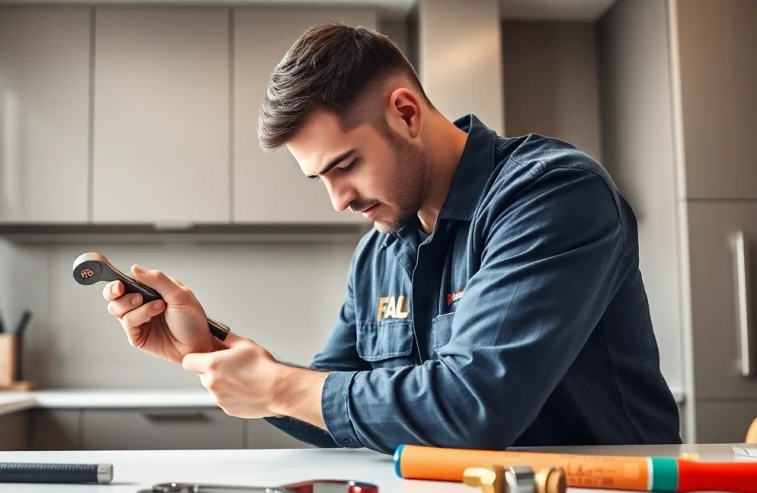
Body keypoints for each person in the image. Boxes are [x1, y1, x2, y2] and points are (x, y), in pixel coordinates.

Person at [99, 22, 682, 454]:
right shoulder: (377, 252)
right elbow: (331, 403)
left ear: (405, 112)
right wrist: (207, 347)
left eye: (346, 164)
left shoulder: (553, 194)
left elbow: (473, 405)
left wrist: (279, 387)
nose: (339, 199)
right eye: (321, 178)